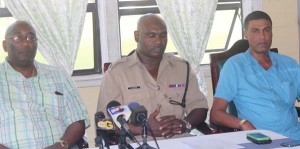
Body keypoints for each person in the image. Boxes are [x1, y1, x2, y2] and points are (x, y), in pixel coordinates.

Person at [97, 14, 208, 139]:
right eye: (151, 35)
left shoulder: (182, 68)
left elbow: (200, 107)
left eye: (163, 35)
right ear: (137, 36)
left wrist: (185, 124)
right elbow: (102, 124)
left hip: (179, 140)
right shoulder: (117, 73)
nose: (158, 41)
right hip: (138, 143)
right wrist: (141, 129)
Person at [210, 11, 300, 139]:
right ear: (245, 34)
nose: (262, 36)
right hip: (259, 139)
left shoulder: (289, 64)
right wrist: (242, 123)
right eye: (255, 30)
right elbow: (215, 114)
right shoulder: (235, 66)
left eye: (266, 30)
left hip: (294, 136)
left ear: (272, 32)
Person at [0, 20, 90, 148]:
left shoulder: (58, 75)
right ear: (5, 45)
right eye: (17, 37)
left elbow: (78, 120)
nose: (26, 43)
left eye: (31, 38)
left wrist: (60, 145)